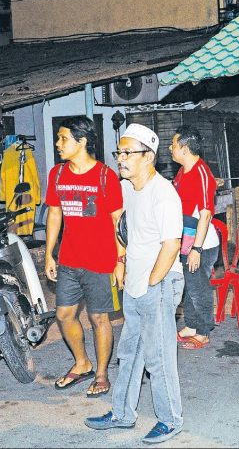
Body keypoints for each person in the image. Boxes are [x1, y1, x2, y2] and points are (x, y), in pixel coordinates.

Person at [85, 123, 184, 444]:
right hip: (135, 281)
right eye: (119, 152)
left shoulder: (164, 194)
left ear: (148, 157)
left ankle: (170, 420)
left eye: (128, 153)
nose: (121, 159)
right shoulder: (126, 188)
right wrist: (121, 262)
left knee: (158, 356)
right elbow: (120, 227)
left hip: (160, 281)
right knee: (129, 352)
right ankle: (123, 414)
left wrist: (153, 282)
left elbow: (172, 245)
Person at [44, 116, 123, 397]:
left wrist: (120, 261)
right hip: (69, 259)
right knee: (64, 315)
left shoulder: (105, 176)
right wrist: (49, 254)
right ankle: (82, 363)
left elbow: (118, 221)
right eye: (59, 138)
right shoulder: (57, 174)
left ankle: (101, 374)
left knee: (99, 318)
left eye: (63, 138)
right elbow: (55, 214)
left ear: (82, 141)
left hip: (100, 261)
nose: (58, 144)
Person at [169, 125, 220, 350]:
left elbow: (206, 214)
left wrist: (196, 250)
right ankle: (191, 326)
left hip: (202, 244)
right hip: (186, 240)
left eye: (173, 144)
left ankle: (203, 332)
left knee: (199, 289)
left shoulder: (201, 173)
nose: (170, 148)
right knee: (190, 286)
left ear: (184, 148)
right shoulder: (183, 171)